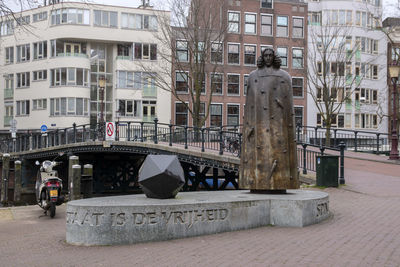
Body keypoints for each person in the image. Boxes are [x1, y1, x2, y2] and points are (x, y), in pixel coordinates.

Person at [240, 48, 299, 192]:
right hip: (258, 123)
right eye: (265, 55)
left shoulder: (284, 76)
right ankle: (256, 182)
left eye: (270, 55)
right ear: (262, 57)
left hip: (277, 125)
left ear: (274, 57)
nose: (267, 58)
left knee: (277, 150)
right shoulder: (253, 76)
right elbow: (250, 104)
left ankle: (281, 182)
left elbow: (288, 105)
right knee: (259, 151)